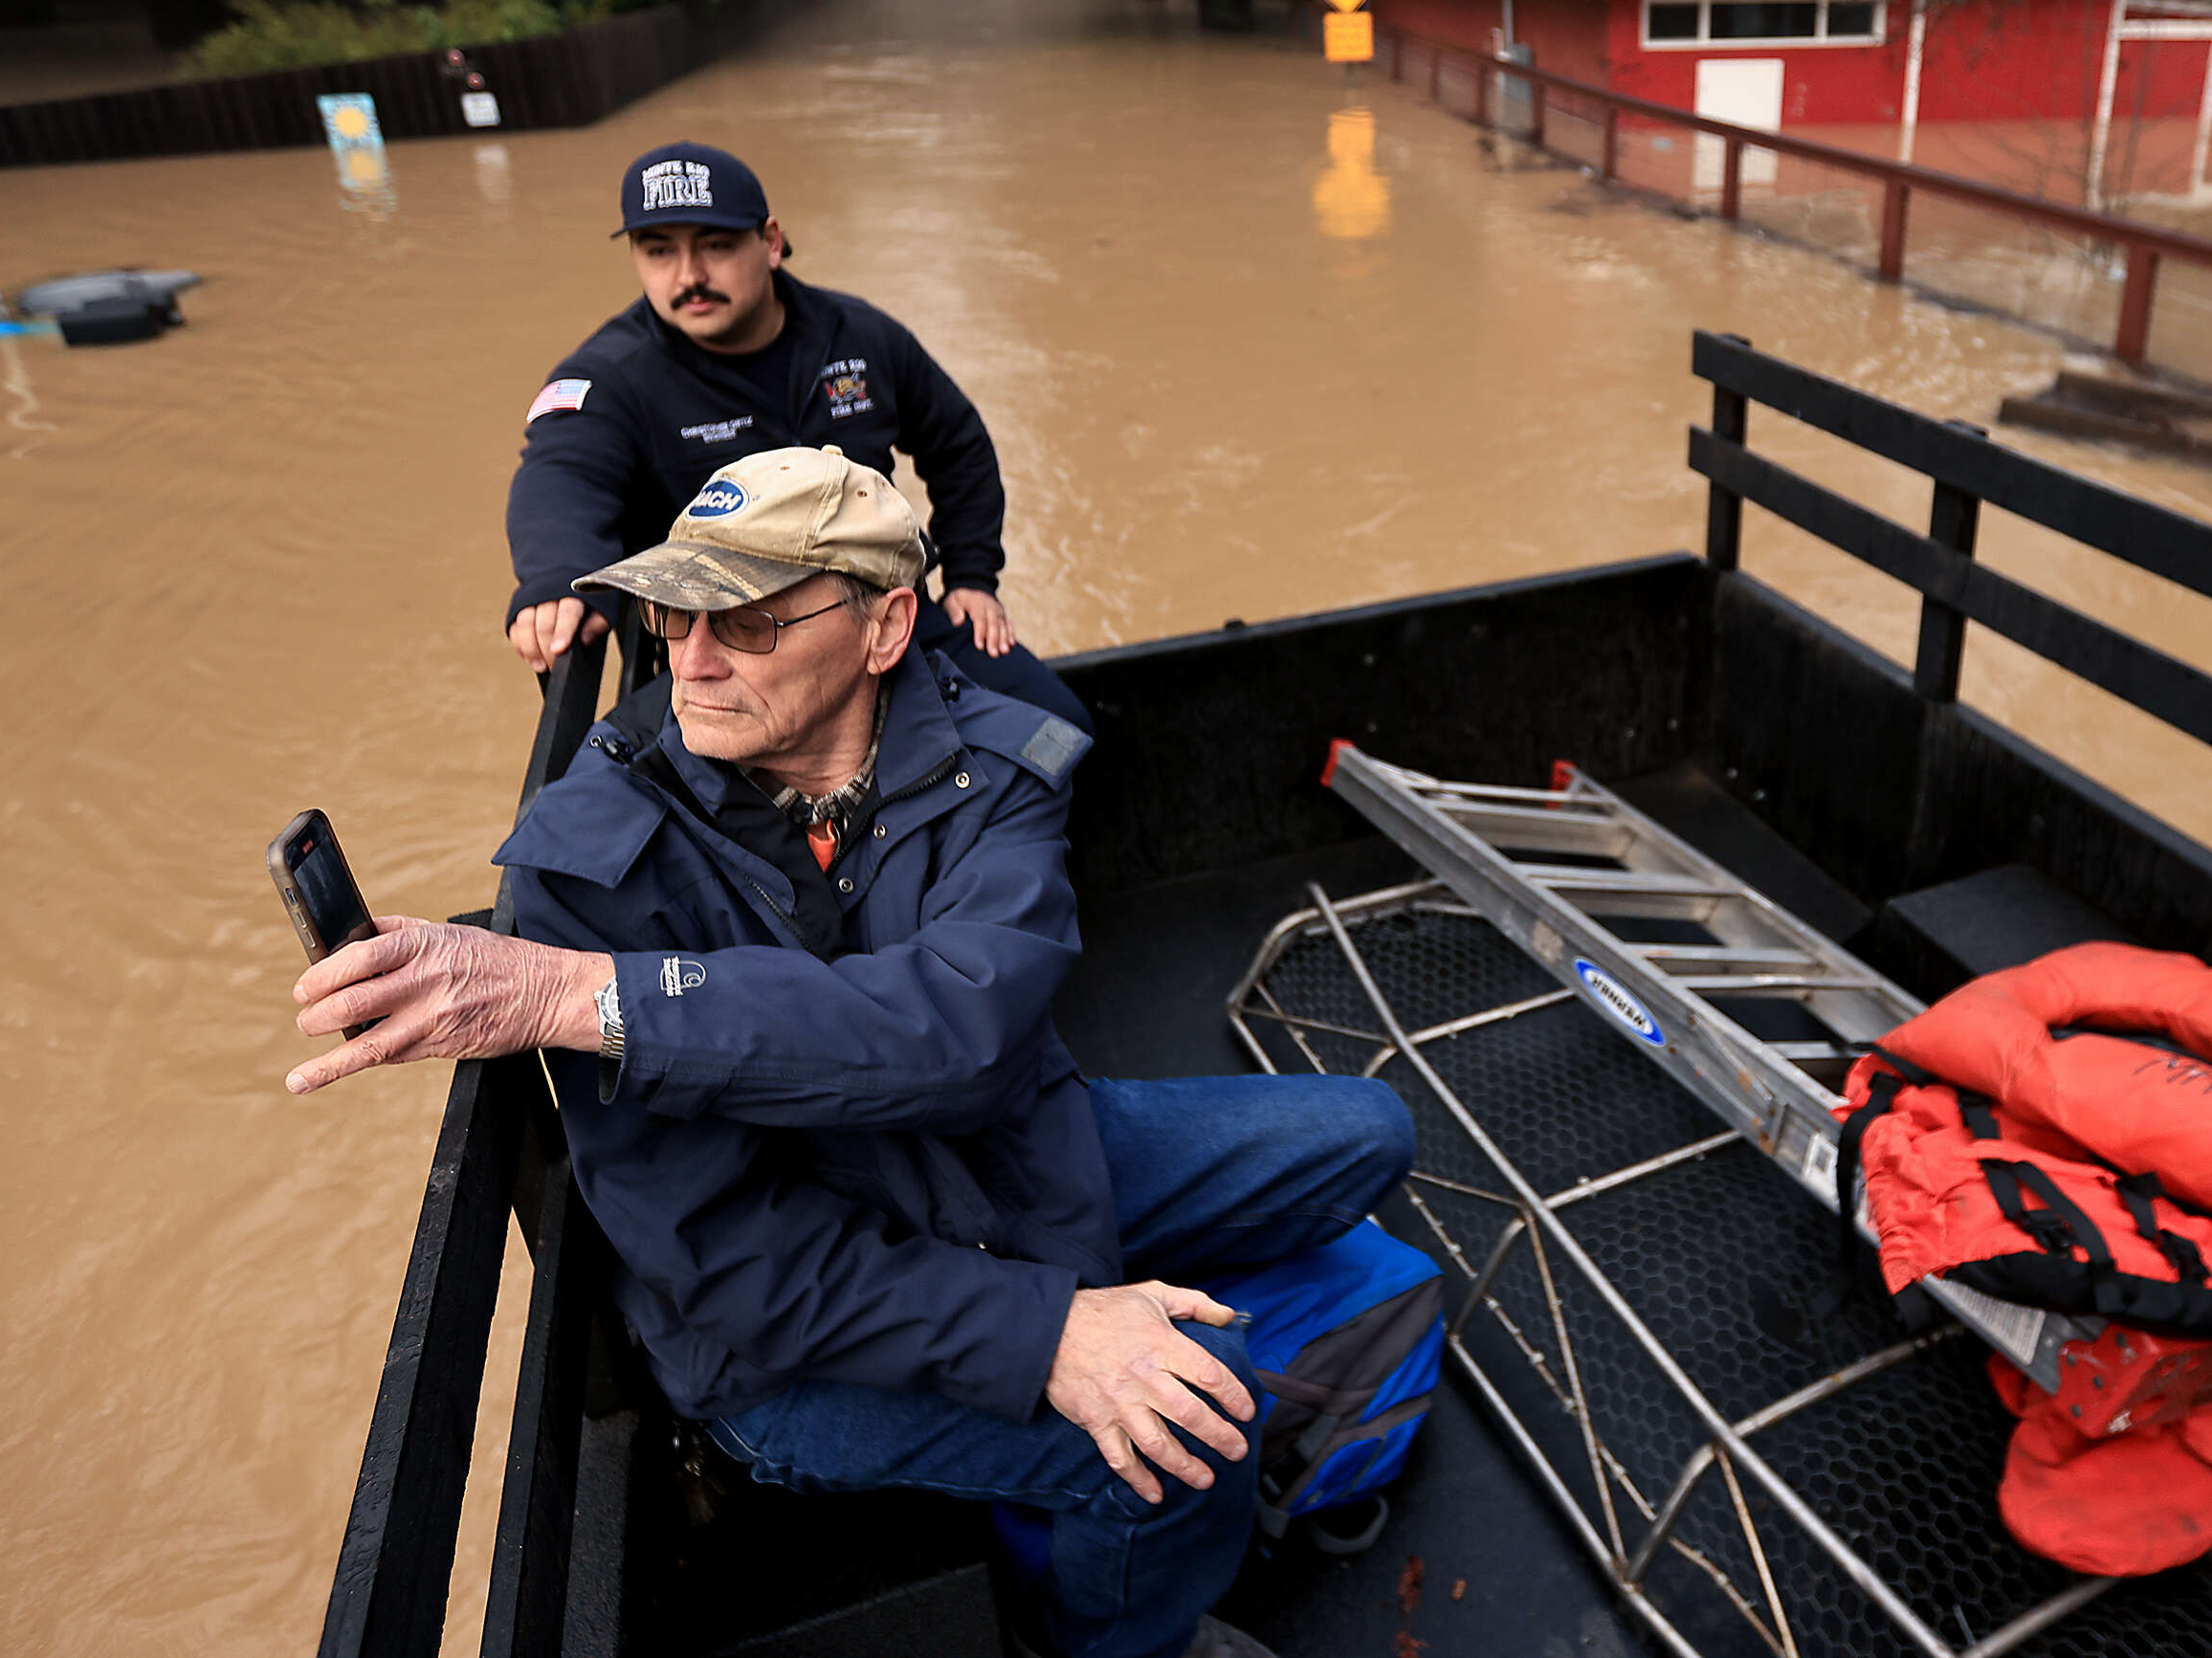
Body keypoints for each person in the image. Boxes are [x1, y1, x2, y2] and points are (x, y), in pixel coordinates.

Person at [294, 445, 1410, 1658]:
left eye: (754, 618)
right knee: (1202, 1426)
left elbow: (966, 1034)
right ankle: (1112, 1640)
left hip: (987, 1152)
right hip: (796, 1342)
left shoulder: (993, 760)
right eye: (672, 609)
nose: (692, 658)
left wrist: (616, 1001)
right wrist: (1045, 1330)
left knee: (1369, 1136)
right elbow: (732, 1265)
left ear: (885, 628)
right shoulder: (590, 865)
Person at [505, 140, 1090, 734]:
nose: (689, 276)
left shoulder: (859, 336)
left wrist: (972, 577)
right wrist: (557, 575)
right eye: (659, 252)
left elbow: (957, 444)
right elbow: (562, 474)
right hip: (725, 655)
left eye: (717, 245)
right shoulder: (609, 378)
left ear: (773, 241)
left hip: (886, 620)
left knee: (1059, 732)